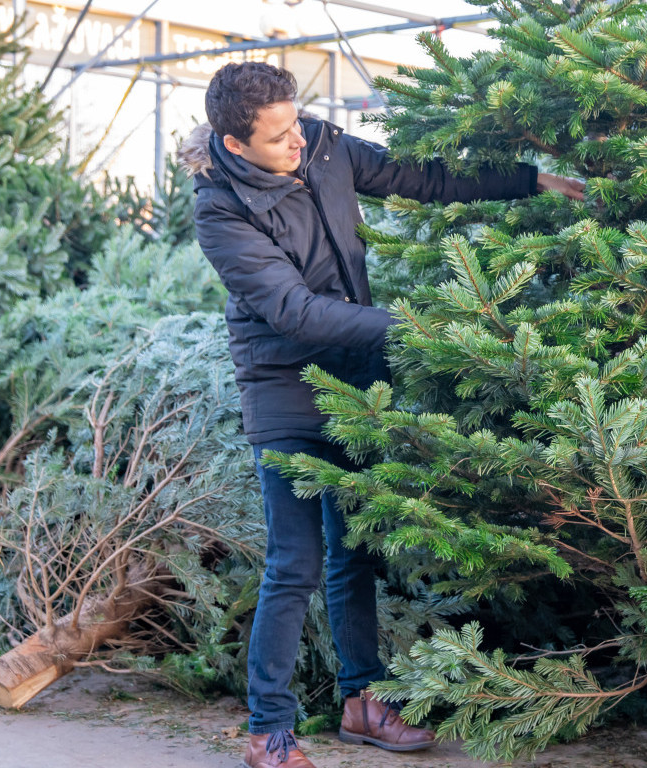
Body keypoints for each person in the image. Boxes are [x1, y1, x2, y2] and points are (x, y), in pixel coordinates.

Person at [180, 62, 583, 768]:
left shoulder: (325, 145)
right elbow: (292, 311)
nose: (297, 143)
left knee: (357, 551)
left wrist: (531, 180)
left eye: (297, 124)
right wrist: (413, 326)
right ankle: (267, 729)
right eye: (278, 139)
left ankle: (363, 702)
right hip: (285, 389)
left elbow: (422, 177)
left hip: (359, 381)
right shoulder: (220, 207)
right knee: (294, 563)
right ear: (237, 145)